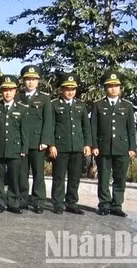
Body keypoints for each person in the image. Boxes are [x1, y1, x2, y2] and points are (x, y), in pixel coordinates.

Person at [90, 71, 136, 218]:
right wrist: (94, 146)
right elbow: (93, 128)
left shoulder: (127, 106)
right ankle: (104, 204)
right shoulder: (98, 105)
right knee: (103, 177)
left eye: (116, 86)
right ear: (105, 88)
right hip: (103, 147)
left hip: (122, 148)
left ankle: (117, 205)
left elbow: (131, 129)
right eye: (110, 86)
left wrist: (132, 147)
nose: (113, 89)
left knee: (120, 177)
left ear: (120, 88)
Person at [49, 72, 91, 215]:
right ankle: (58, 203)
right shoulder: (54, 105)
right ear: (62, 89)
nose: (70, 92)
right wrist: (52, 145)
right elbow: (51, 126)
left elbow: (86, 126)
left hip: (77, 146)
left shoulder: (81, 105)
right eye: (67, 89)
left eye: (73, 89)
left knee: (74, 177)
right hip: (60, 146)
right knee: (59, 176)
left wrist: (87, 144)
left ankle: (72, 203)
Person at [17, 65, 54, 213]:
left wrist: (45, 140)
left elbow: (48, 121)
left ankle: (38, 201)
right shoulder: (18, 97)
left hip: (38, 142)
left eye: (33, 79)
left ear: (38, 81)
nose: (30, 82)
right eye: (27, 79)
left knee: (38, 173)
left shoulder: (44, 99)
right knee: (22, 172)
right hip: (21, 142)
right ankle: (22, 199)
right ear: (23, 81)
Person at [0, 75, 28, 214]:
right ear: (1, 91)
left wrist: (24, 148)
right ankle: (0, 203)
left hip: (15, 148)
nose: (7, 93)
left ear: (15, 91)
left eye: (10, 90)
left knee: (14, 177)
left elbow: (24, 131)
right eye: (5, 90)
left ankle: (13, 203)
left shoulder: (22, 109)